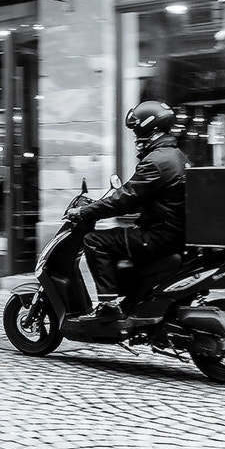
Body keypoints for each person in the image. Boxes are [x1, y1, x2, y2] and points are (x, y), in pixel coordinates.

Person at [65, 101, 189, 321]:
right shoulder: (176, 155)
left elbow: (125, 199)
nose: (135, 137)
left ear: (148, 128)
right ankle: (132, 298)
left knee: (94, 240)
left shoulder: (156, 161)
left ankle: (108, 306)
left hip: (160, 236)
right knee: (121, 239)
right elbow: (136, 196)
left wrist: (84, 212)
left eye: (136, 130)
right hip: (172, 232)